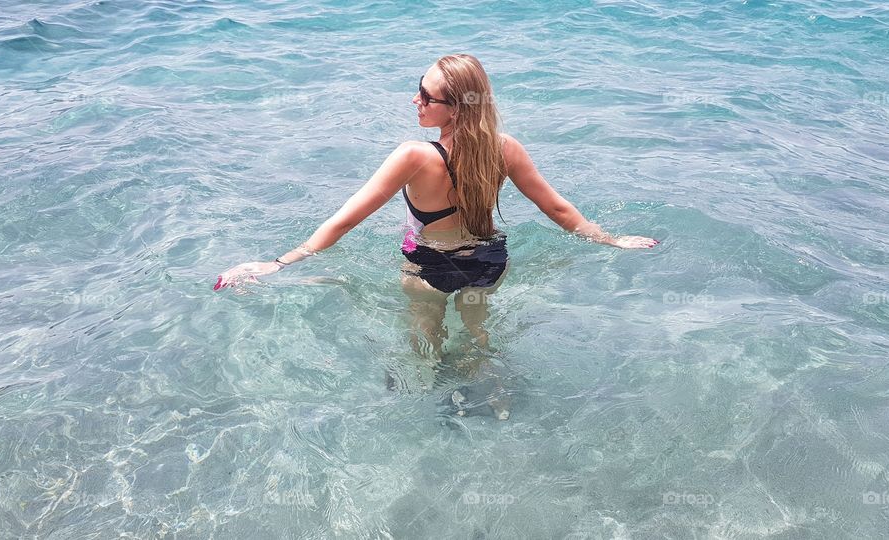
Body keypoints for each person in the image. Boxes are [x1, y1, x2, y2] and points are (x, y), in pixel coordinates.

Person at [214, 54, 658, 369]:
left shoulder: (414, 156)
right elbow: (558, 210)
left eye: (425, 96)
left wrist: (279, 263)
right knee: (479, 341)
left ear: (456, 107)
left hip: (427, 270)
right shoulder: (506, 150)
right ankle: (490, 391)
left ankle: (430, 412)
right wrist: (610, 240)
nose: (415, 101)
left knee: (425, 344)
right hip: (489, 265)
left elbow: (347, 220)